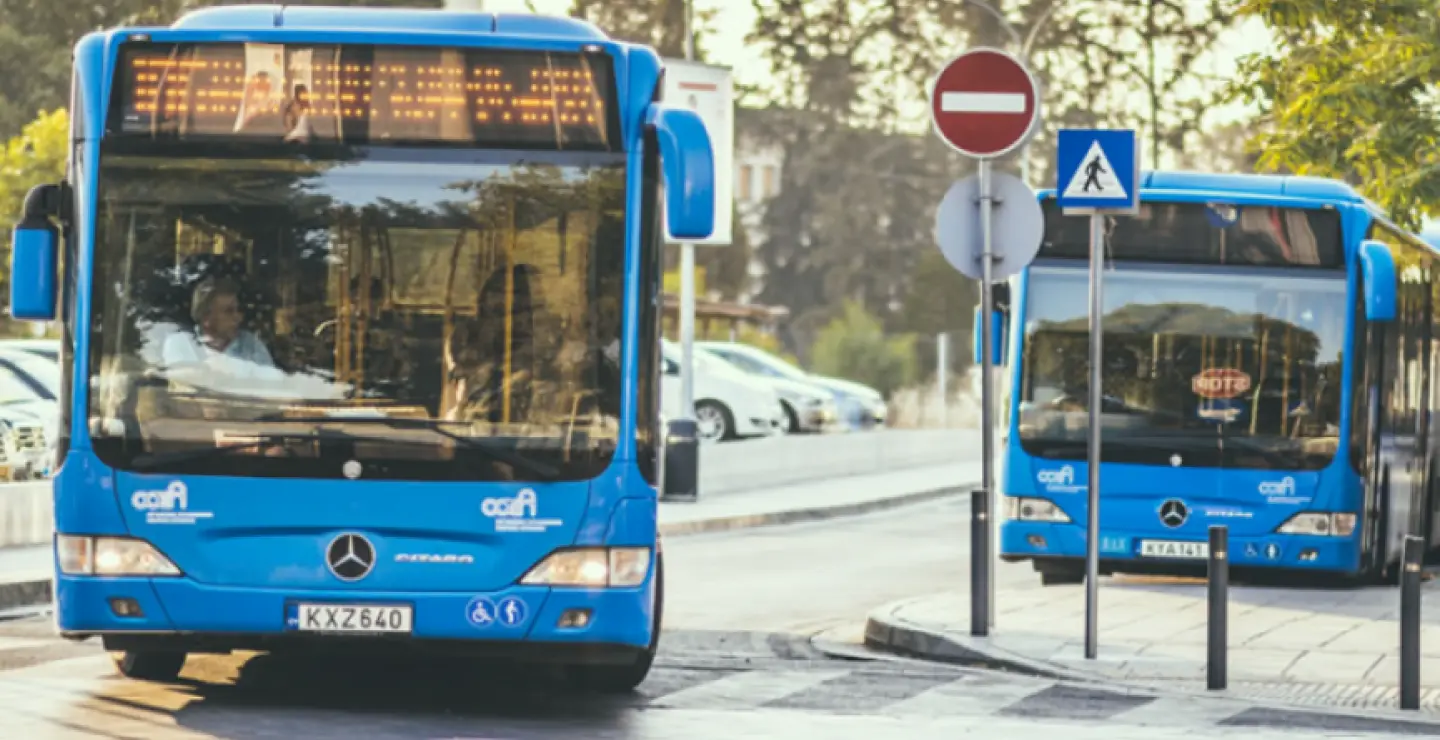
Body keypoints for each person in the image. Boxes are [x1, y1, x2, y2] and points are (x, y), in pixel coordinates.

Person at [161, 276, 277, 377]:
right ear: (206, 318)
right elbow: (180, 380)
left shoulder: (251, 345)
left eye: (238, 310)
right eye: (229, 311)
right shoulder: (180, 343)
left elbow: (272, 381)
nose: (238, 317)